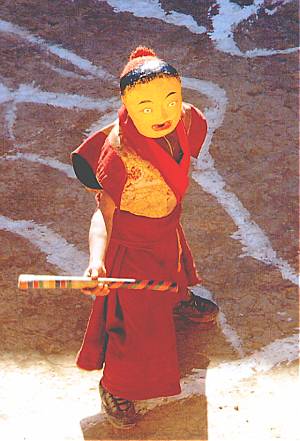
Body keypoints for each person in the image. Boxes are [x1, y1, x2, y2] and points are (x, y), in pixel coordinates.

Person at [71, 46, 218, 429]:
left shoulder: (187, 121)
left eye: (171, 100)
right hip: (131, 246)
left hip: (165, 227)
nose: (161, 114)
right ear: (126, 104)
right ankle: (116, 386)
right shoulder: (118, 153)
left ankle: (178, 298)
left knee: (171, 269)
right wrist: (96, 260)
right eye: (146, 106)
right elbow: (103, 213)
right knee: (135, 325)